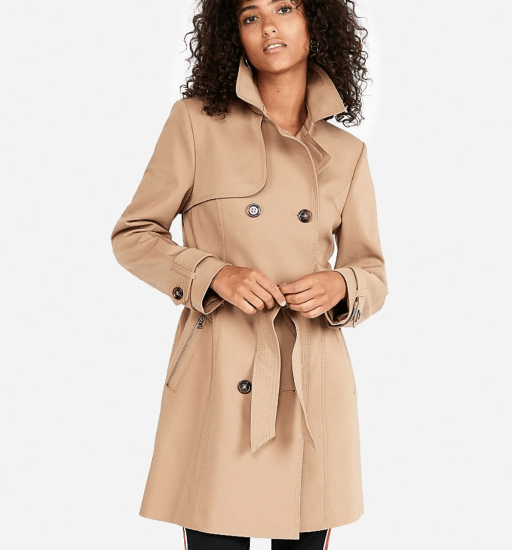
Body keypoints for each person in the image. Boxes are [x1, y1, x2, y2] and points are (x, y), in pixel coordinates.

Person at [110, 0, 389, 548]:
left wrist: (341, 286)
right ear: (233, 33)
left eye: (285, 7)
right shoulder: (195, 123)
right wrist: (213, 275)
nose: (269, 27)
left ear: (315, 24)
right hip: (222, 375)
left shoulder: (346, 153)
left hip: (311, 381)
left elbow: (372, 271)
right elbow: (134, 234)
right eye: (250, 15)